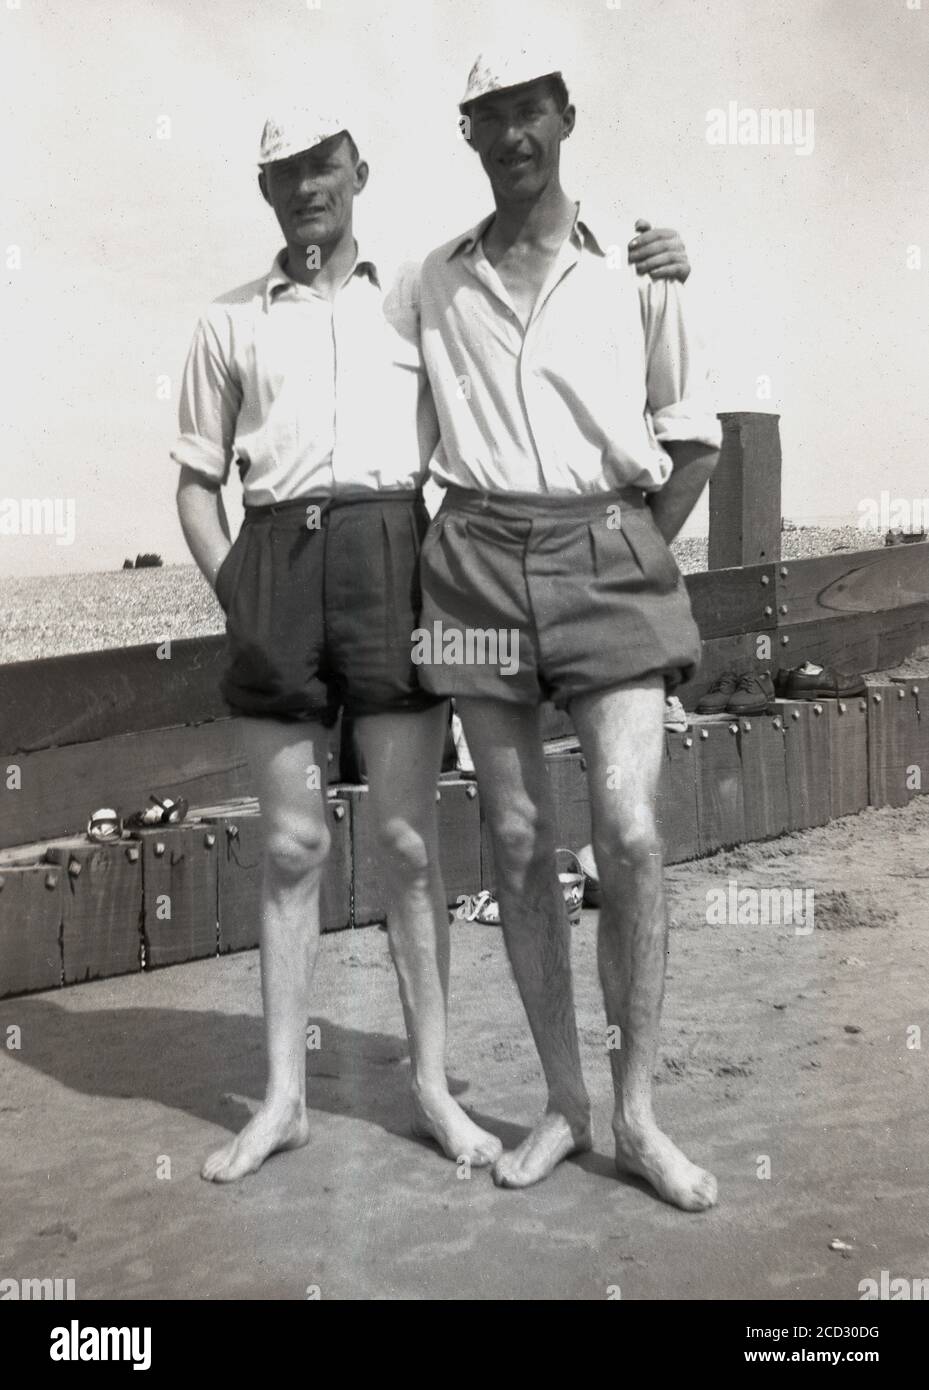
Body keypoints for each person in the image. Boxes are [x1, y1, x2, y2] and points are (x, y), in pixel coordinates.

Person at [172, 107, 694, 1183]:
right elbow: (193, 482)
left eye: (324, 164)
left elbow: (545, 291)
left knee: (411, 846)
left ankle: (432, 1090)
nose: (306, 185)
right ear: (261, 188)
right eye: (282, 171)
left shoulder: (416, 291)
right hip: (278, 558)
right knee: (290, 848)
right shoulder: (226, 322)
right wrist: (244, 588)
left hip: (394, 550)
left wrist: (662, 258)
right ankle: (282, 1098)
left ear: (358, 170)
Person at [415, 51, 722, 1211]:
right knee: (507, 832)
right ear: (467, 132)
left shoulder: (640, 272)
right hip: (473, 568)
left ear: (565, 119)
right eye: (487, 116)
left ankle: (638, 1112)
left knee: (631, 830)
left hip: (607, 554)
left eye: (529, 111)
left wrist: (629, 546)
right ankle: (561, 1102)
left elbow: (690, 440)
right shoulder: (429, 282)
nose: (511, 135)